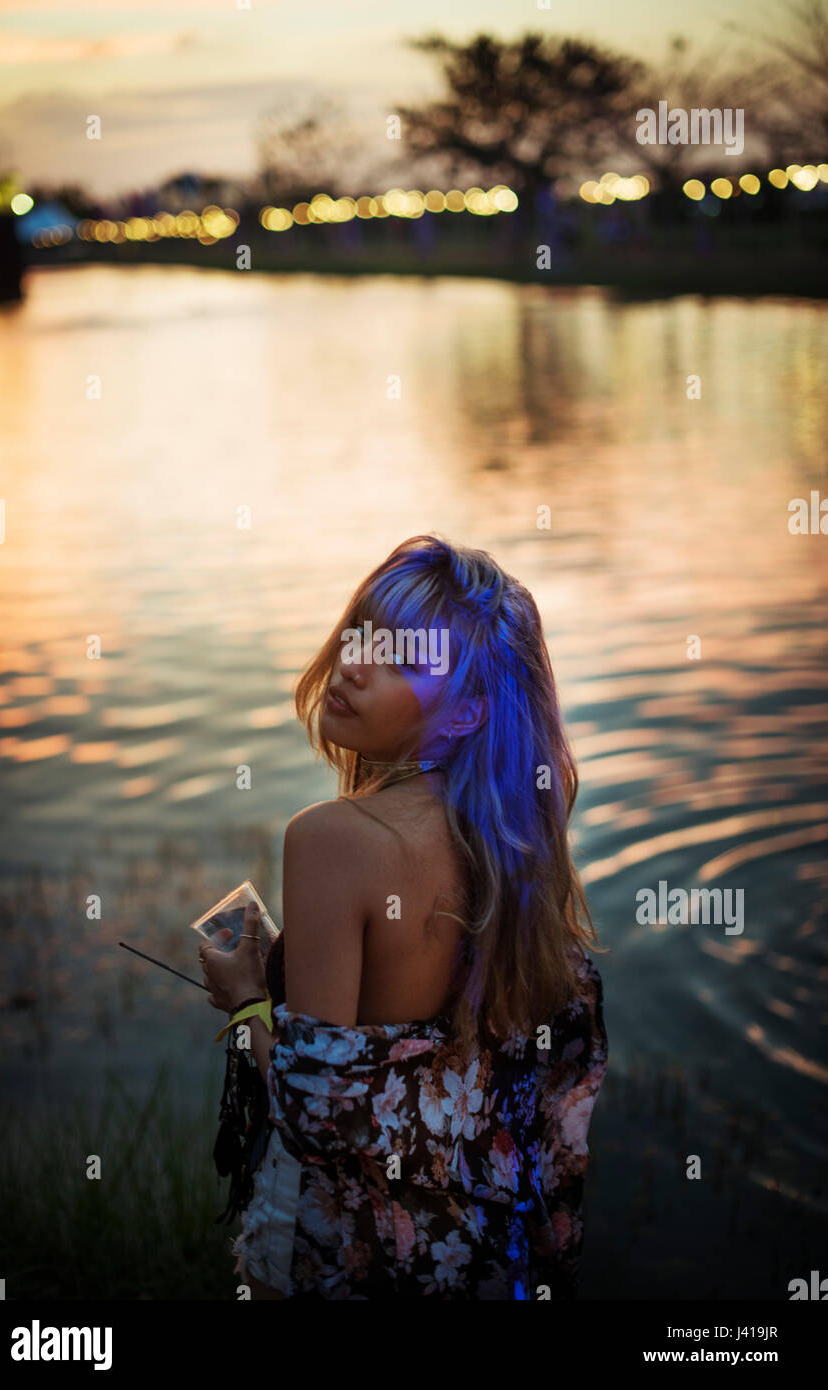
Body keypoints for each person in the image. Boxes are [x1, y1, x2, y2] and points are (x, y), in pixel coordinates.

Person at [200, 534, 609, 1300]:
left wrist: (246, 1000)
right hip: (468, 1250)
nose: (354, 665)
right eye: (363, 634)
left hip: (343, 1250)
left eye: (404, 661)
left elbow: (312, 1111)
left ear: (465, 716)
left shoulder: (331, 838)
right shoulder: (509, 845)